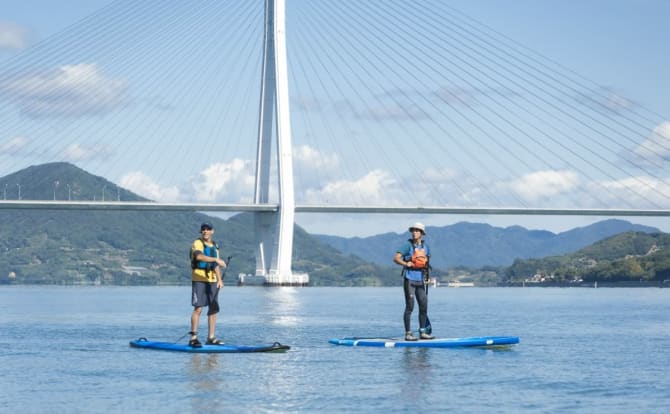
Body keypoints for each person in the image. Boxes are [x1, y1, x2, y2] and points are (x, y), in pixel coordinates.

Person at [188, 222, 227, 347]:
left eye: (208, 229)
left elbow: (216, 266)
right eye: (203, 229)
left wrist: (219, 280)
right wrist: (216, 259)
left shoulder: (215, 246)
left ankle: (211, 337)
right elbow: (199, 257)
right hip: (199, 279)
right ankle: (193, 338)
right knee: (198, 308)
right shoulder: (197, 243)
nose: (205, 231)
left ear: (212, 231)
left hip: (212, 280)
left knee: (213, 308)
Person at [394, 222, 435, 341]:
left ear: (422, 233)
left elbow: (426, 264)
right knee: (410, 306)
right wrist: (406, 263)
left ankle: (423, 332)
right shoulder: (407, 245)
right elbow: (396, 258)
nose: (414, 232)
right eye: (413, 230)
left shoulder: (426, 247)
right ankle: (408, 333)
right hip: (409, 279)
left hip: (420, 280)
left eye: (417, 231)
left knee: (423, 306)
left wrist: (427, 277)